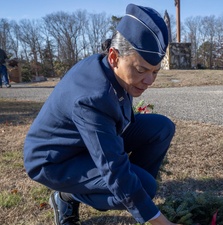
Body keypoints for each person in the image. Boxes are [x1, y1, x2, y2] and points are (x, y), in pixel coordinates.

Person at [24, 4, 179, 225]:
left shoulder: (111, 67)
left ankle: (133, 194)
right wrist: (161, 222)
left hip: (84, 141)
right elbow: (113, 168)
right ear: (114, 56)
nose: (149, 81)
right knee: (143, 185)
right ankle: (66, 195)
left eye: (155, 72)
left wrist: (131, 186)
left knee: (162, 128)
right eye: (141, 70)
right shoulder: (93, 97)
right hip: (56, 159)